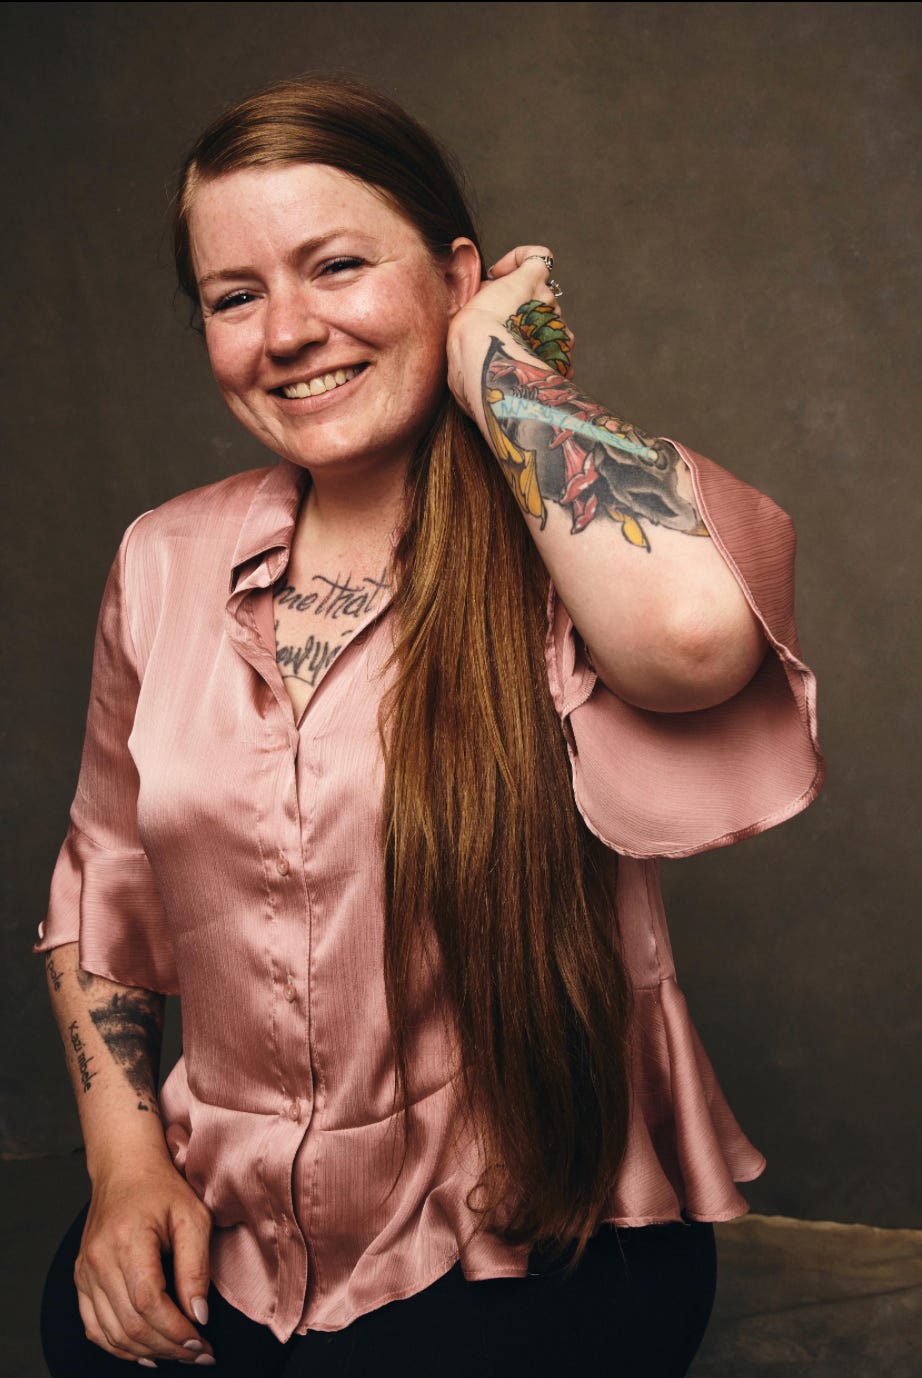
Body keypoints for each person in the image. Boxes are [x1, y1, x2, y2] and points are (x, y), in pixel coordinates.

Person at [36, 76, 823, 1377]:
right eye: (234, 296)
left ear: (456, 277)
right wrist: (125, 1169)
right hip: (230, 1228)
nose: (288, 331)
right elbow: (101, 873)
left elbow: (691, 643)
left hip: (529, 1243)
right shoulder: (162, 558)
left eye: (336, 265)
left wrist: (502, 368)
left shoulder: (572, 542)